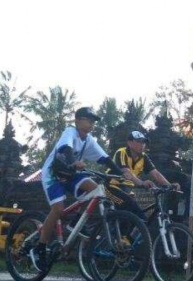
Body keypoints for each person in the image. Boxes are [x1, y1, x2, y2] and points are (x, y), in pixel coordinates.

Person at [32, 107, 123, 271]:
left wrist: (121, 173)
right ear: (77, 121)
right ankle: (39, 248)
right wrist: (74, 161)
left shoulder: (88, 140)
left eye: (93, 121)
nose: (91, 124)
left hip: (71, 175)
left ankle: (75, 222)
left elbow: (105, 158)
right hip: (53, 174)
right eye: (88, 120)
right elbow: (65, 149)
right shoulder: (70, 131)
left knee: (95, 189)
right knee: (58, 211)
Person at [113, 130, 181, 219]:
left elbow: (155, 173)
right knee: (127, 208)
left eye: (143, 142)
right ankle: (111, 232)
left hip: (127, 190)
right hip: (113, 187)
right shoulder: (122, 152)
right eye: (138, 141)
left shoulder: (144, 157)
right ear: (129, 143)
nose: (142, 145)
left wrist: (169, 185)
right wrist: (141, 183)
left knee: (140, 218)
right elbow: (126, 173)